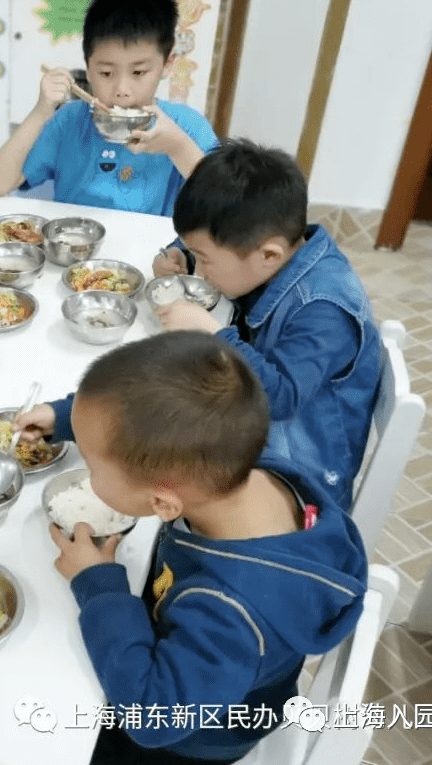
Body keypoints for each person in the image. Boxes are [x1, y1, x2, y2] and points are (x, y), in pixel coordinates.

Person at [18, 331, 367, 763]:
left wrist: (100, 586)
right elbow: (160, 417)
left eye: (92, 464)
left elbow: (152, 719)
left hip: (191, 740)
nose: (89, 471)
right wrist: (66, 418)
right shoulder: (241, 464)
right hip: (214, 671)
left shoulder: (229, 611)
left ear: (162, 503)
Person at [150, 140, 381, 507]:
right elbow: (221, 245)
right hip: (258, 431)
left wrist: (211, 333)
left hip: (298, 481)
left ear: (269, 254)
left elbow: (281, 396)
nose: (203, 270)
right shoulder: (272, 248)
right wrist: (180, 256)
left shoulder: (323, 310)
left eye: (204, 259)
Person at [0, 0, 217, 215]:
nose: (121, 90)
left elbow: (222, 208)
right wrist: (41, 111)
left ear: (167, 65)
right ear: (88, 69)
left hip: (150, 250)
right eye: (106, 73)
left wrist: (178, 148)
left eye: (138, 72)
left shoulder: (186, 126)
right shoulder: (69, 120)